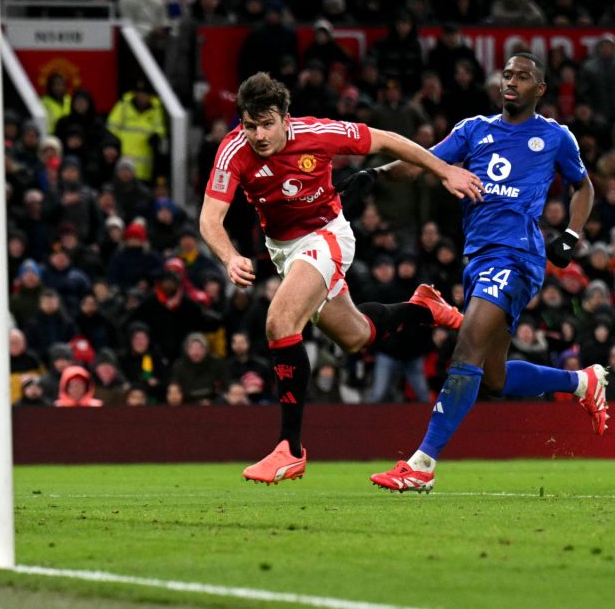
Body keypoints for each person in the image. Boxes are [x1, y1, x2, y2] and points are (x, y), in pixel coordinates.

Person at [199, 71, 484, 485]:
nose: (258, 135)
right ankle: (423, 309)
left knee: (280, 322)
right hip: (284, 250)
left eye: (267, 124)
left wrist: (443, 171)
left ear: (286, 119)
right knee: (356, 336)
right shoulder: (233, 150)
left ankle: (289, 449)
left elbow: (387, 140)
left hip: (326, 235)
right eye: (250, 125)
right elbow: (210, 218)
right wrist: (228, 256)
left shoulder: (319, 134)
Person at [359, 54, 606, 493]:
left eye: (523, 77)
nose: (512, 82)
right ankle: (581, 382)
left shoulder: (555, 136)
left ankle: (421, 465)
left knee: (466, 350)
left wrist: (571, 234)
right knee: (494, 378)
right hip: (478, 258)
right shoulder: (473, 129)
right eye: (508, 74)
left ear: (540, 89)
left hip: (516, 256)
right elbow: (419, 163)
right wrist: (374, 175)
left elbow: (583, 185)